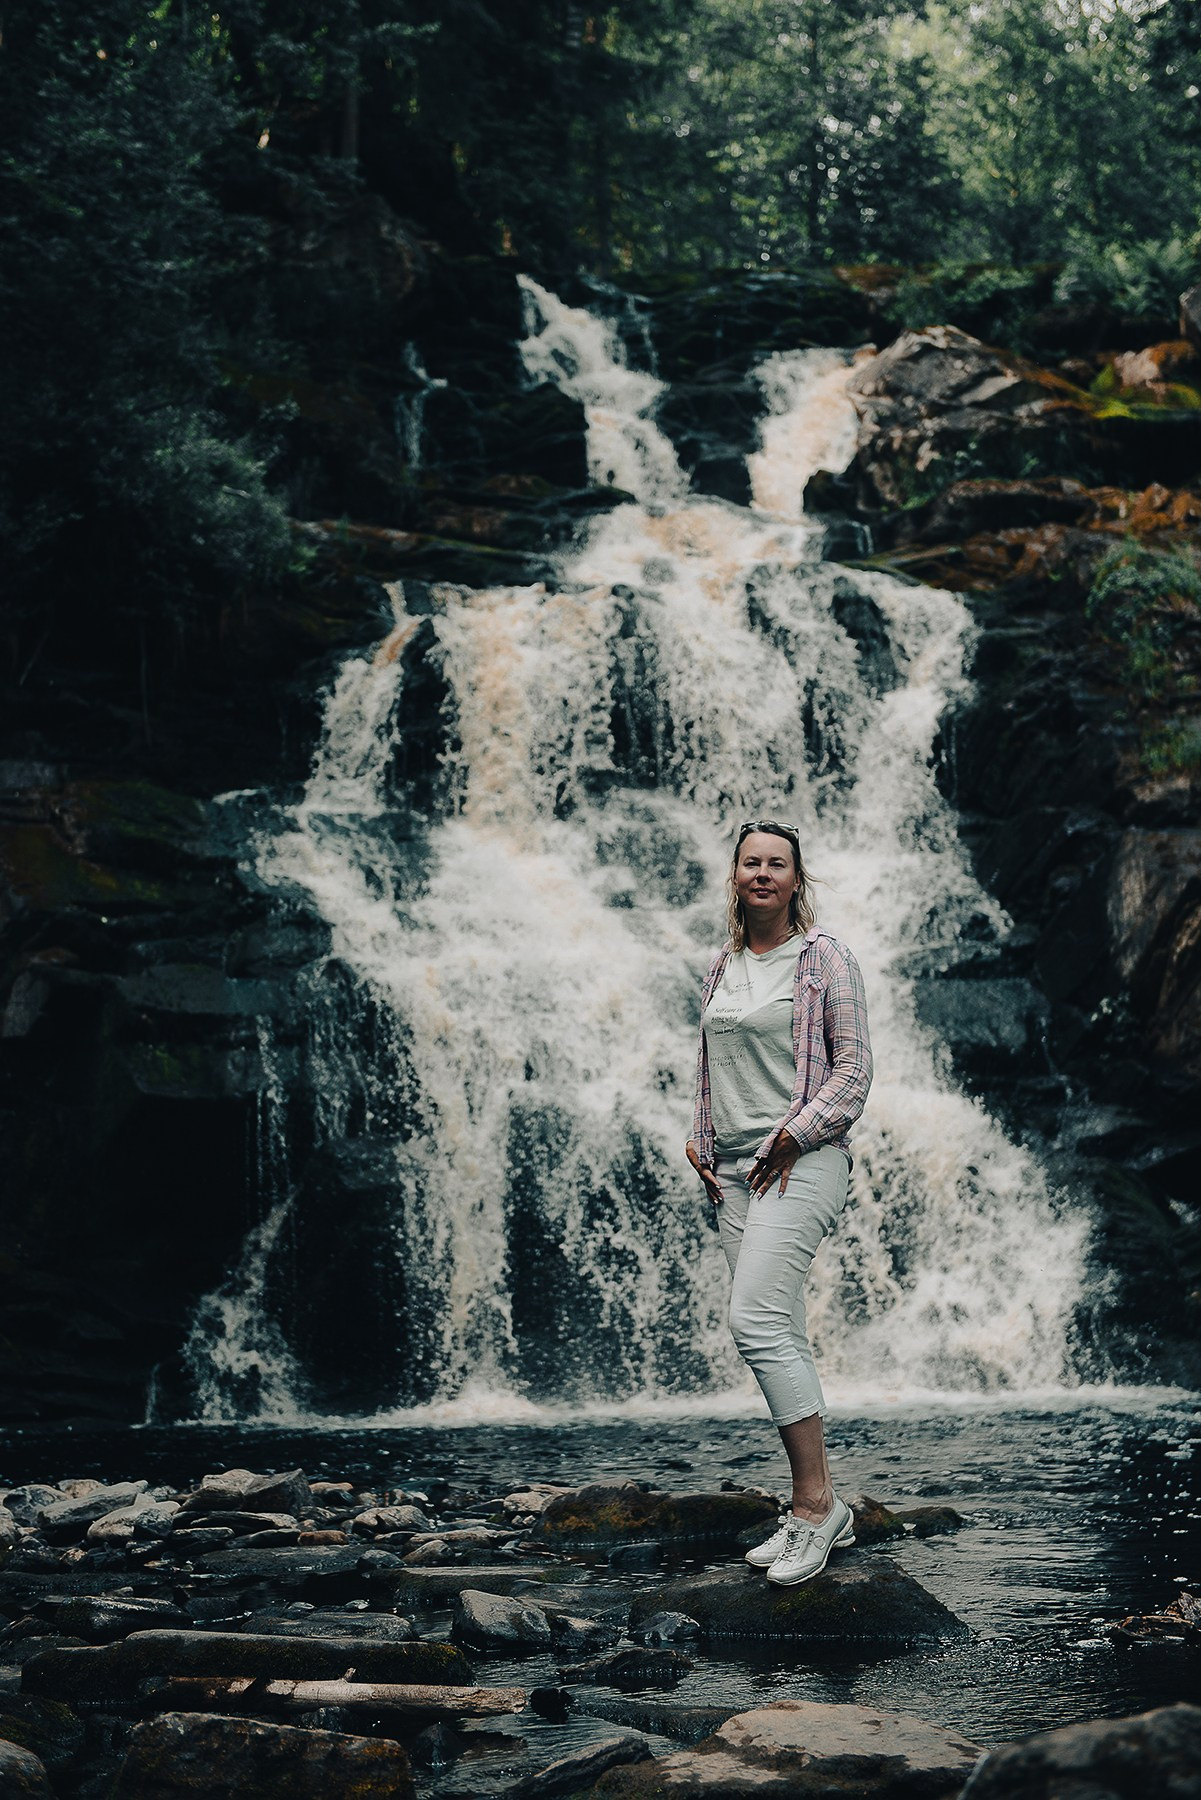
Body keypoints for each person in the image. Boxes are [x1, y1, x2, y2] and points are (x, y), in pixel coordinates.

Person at [686, 819, 872, 1586]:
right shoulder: (721, 964)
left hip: (801, 1161)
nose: (762, 873)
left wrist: (794, 1136)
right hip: (732, 1171)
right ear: (734, 876)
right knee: (777, 1328)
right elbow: (710, 1063)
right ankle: (816, 1508)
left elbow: (853, 1073)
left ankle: (814, 1509)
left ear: (796, 880)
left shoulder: (824, 958)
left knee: (754, 1320)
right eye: (750, 863)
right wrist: (700, 1136)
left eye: (776, 864)